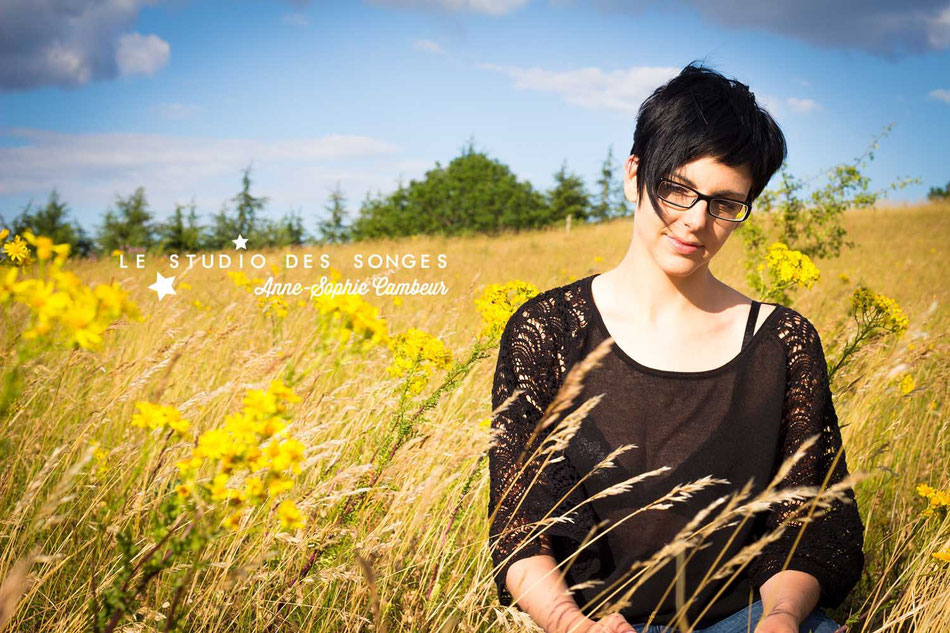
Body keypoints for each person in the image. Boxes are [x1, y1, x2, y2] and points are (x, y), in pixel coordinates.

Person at [487, 61, 864, 633]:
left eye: (724, 203)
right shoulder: (549, 330)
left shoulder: (783, 343)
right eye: (677, 189)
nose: (695, 221)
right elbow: (521, 525)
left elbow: (808, 522)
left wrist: (783, 618)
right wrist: (569, 622)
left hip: (749, 619)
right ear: (634, 175)